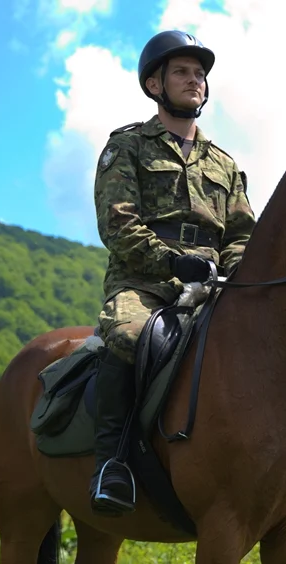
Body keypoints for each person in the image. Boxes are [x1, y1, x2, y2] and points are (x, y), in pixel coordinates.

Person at [89, 30, 256, 516]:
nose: (195, 80)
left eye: (200, 74)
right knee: (127, 335)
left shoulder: (224, 164)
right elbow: (117, 221)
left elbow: (244, 231)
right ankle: (111, 464)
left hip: (213, 286)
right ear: (154, 84)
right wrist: (171, 262)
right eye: (182, 72)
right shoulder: (129, 146)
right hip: (144, 283)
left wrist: (237, 272)